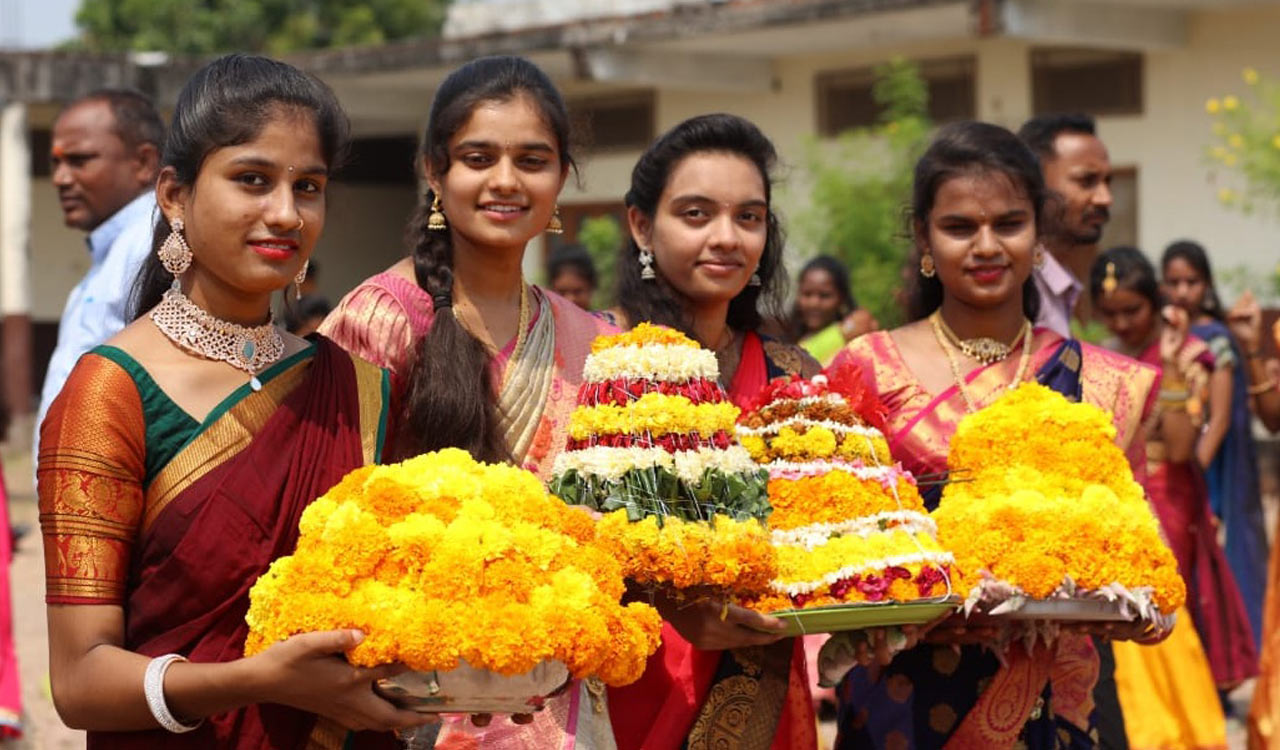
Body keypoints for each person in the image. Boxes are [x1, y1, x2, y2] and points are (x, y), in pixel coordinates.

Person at [37, 54, 429, 748]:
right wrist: (257, 680)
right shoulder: (110, 393)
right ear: (174, 196)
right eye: (252, 180)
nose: (284, 213)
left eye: (307, 186)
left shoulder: (358, 389)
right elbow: (80, 681)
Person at [829, 121, 1159, 748]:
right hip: (903, 701)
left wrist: (1140, 610)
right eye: (959, 228)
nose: (986, 246)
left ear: (1040, 236)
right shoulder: (865, 369)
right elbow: (830, 547)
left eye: (1008, 224)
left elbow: (1136, 547)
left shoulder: (1103, 382)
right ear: (924, 237)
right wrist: (916, 610)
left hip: (1059, 702)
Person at [319, 55, 617, 748]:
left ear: (562, 176)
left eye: (533, 160)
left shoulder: (593, 339)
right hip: (409, 702)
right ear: (434, 172)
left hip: (558, 698)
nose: (506, 181)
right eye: (478, 158)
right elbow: (333, 529)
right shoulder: (382, 319)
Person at [603, 113, 820, 750]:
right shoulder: (592, 354)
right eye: (696, 214)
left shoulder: (796, 377)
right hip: (619, 686)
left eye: (748, 217)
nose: (726, 238)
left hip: (757, 683)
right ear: (642, 224)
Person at [1090, 246, 1254, 747]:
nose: (1123, 322)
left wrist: (1177, 373)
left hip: (1170, 494)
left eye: (1132, 311)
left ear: (1155, 301)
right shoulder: (1102, 356)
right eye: (1111, 313)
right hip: (1117, 500)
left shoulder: (1183, 353)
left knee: (1170, 610)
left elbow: (1184, 446)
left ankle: (1180, 723)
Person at [36, 89, 164, 455]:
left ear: (143, 162)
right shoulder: (113, 253)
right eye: (56, 162)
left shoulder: (151, 246)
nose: (61, 178)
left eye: (79, 160)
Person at [1161, 240, 1268, 655]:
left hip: (1211, 466)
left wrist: (1193, 473)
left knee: (1218, 561)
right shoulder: (1167, 335)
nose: (1182, 290)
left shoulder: (1217, 338)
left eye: (1191, 281)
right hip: (1177, 455)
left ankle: (1228, 658)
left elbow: (1219, 419)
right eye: (1173, 282)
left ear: (1206, 284)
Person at [1017, 113, 1112, 336]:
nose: (1105, 198)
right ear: (1035, 182)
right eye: (1087, 181)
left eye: (1107, 181)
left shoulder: (1057, 282)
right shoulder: (1012, 286)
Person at [789, 255, 878, 366]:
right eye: (807, 294)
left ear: (842, 298)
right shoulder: (782, 334)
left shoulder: (854, 334)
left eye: (824, 296)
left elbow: (862, 320)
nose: (814, 303)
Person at [546, 243, 598, 310]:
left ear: (591, 288)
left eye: (577, 292)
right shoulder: (540, 320)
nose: (570, 299)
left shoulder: (603, 320)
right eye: (562, 292)